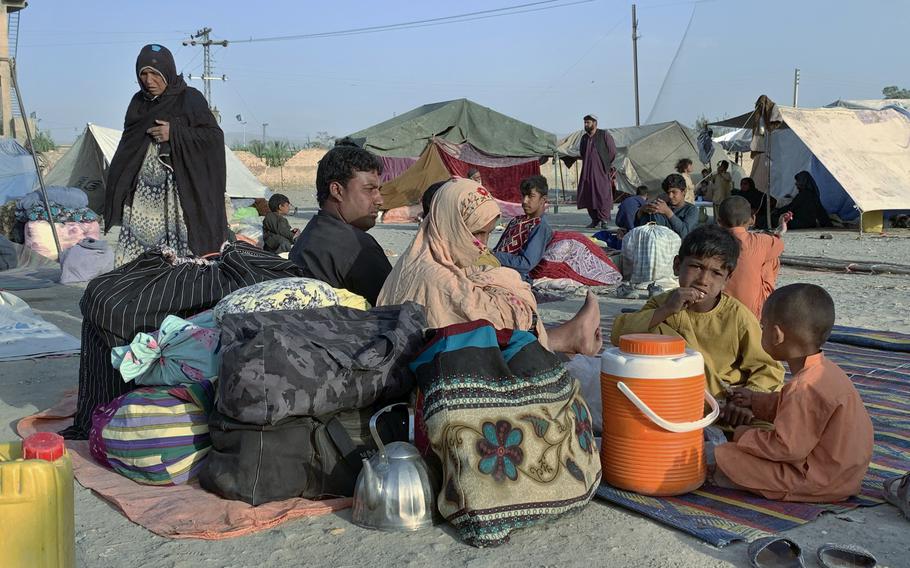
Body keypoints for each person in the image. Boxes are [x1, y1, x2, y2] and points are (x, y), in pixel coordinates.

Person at [378, 177, 603, 356]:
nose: (482, 244)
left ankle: (567, 337)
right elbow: (491, 318)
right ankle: (566, 338)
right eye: (475, 233)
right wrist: (509, 282)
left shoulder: (423, 255)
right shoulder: (435, 276)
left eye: (487, 233)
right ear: (450, 224)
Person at [712, 284, 874, 502]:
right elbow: (796, 410)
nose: (761, 331)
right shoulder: (826, 372)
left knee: (725, 455)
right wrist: (755, 401)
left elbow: (786, 448)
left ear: (777, 334)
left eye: (763, 326)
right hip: (846, 475)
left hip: (819, 481)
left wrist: (741, 434)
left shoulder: (803, 387)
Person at [611, 224, 784, 398]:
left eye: (716, 273)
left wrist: (747, 399)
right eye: (696, 267)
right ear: (677, 265)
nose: (703, 280)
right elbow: (620, 336)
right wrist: (666, 310)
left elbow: (768, 368)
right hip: (673, 394)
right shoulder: (663, 304)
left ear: (726, 280)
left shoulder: (738, 316)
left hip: (725, 398)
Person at [105, 44, 227, 267]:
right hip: (143, 201)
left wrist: (174, 133)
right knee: (139, 261)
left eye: (155, 74)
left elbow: (213, 138)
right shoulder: (138, 104)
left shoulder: (190, 99)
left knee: (178, 259)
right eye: (143, 74)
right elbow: (127, 148)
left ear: (168, 72)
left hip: (178, 199)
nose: (148, 81)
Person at [289, 145, 391, 306]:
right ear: (337, 190)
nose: (379, 200)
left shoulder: (311, 231)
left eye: (379, 190)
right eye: (369, 189)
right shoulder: (359, 247)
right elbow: (392, 308)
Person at [718, 196, 792, 319]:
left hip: (717, 304)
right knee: (771, 259)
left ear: (719, 221)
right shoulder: (760, 241)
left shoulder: (711, 240)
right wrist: (780, 230)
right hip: (751, 310)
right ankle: (763, 307)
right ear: (752, 219)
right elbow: (778, 245)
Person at [492, 175, 554, 283]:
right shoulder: (516, 220)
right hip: (496, 266)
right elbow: (499, 248)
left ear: (543, 200)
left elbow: (526, 264)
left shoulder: (540, 226)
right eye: (524, 195)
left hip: (516, 276)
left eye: (531, 196)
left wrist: (495, 256)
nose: (525, 201)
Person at [577, 114, 617, 229]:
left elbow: (612, 152)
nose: (585, 125)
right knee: (589, 194)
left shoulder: (604, 135)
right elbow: (582, 153)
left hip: (601, 171)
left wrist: (604, 163)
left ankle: (604, 220)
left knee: (602, 194)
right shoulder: (584, 138)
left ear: (594, 123)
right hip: (587, 171)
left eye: (588, 122)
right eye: (584, 122)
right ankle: (595, 220)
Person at [635, 173, 700, 238]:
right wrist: (641, 211)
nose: (670, 196)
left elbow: (685, 233)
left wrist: (668, 212)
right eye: (668, 193)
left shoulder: (691, 210)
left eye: (674, 192)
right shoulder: (661, 207)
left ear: (684, 191)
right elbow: (640, 228)